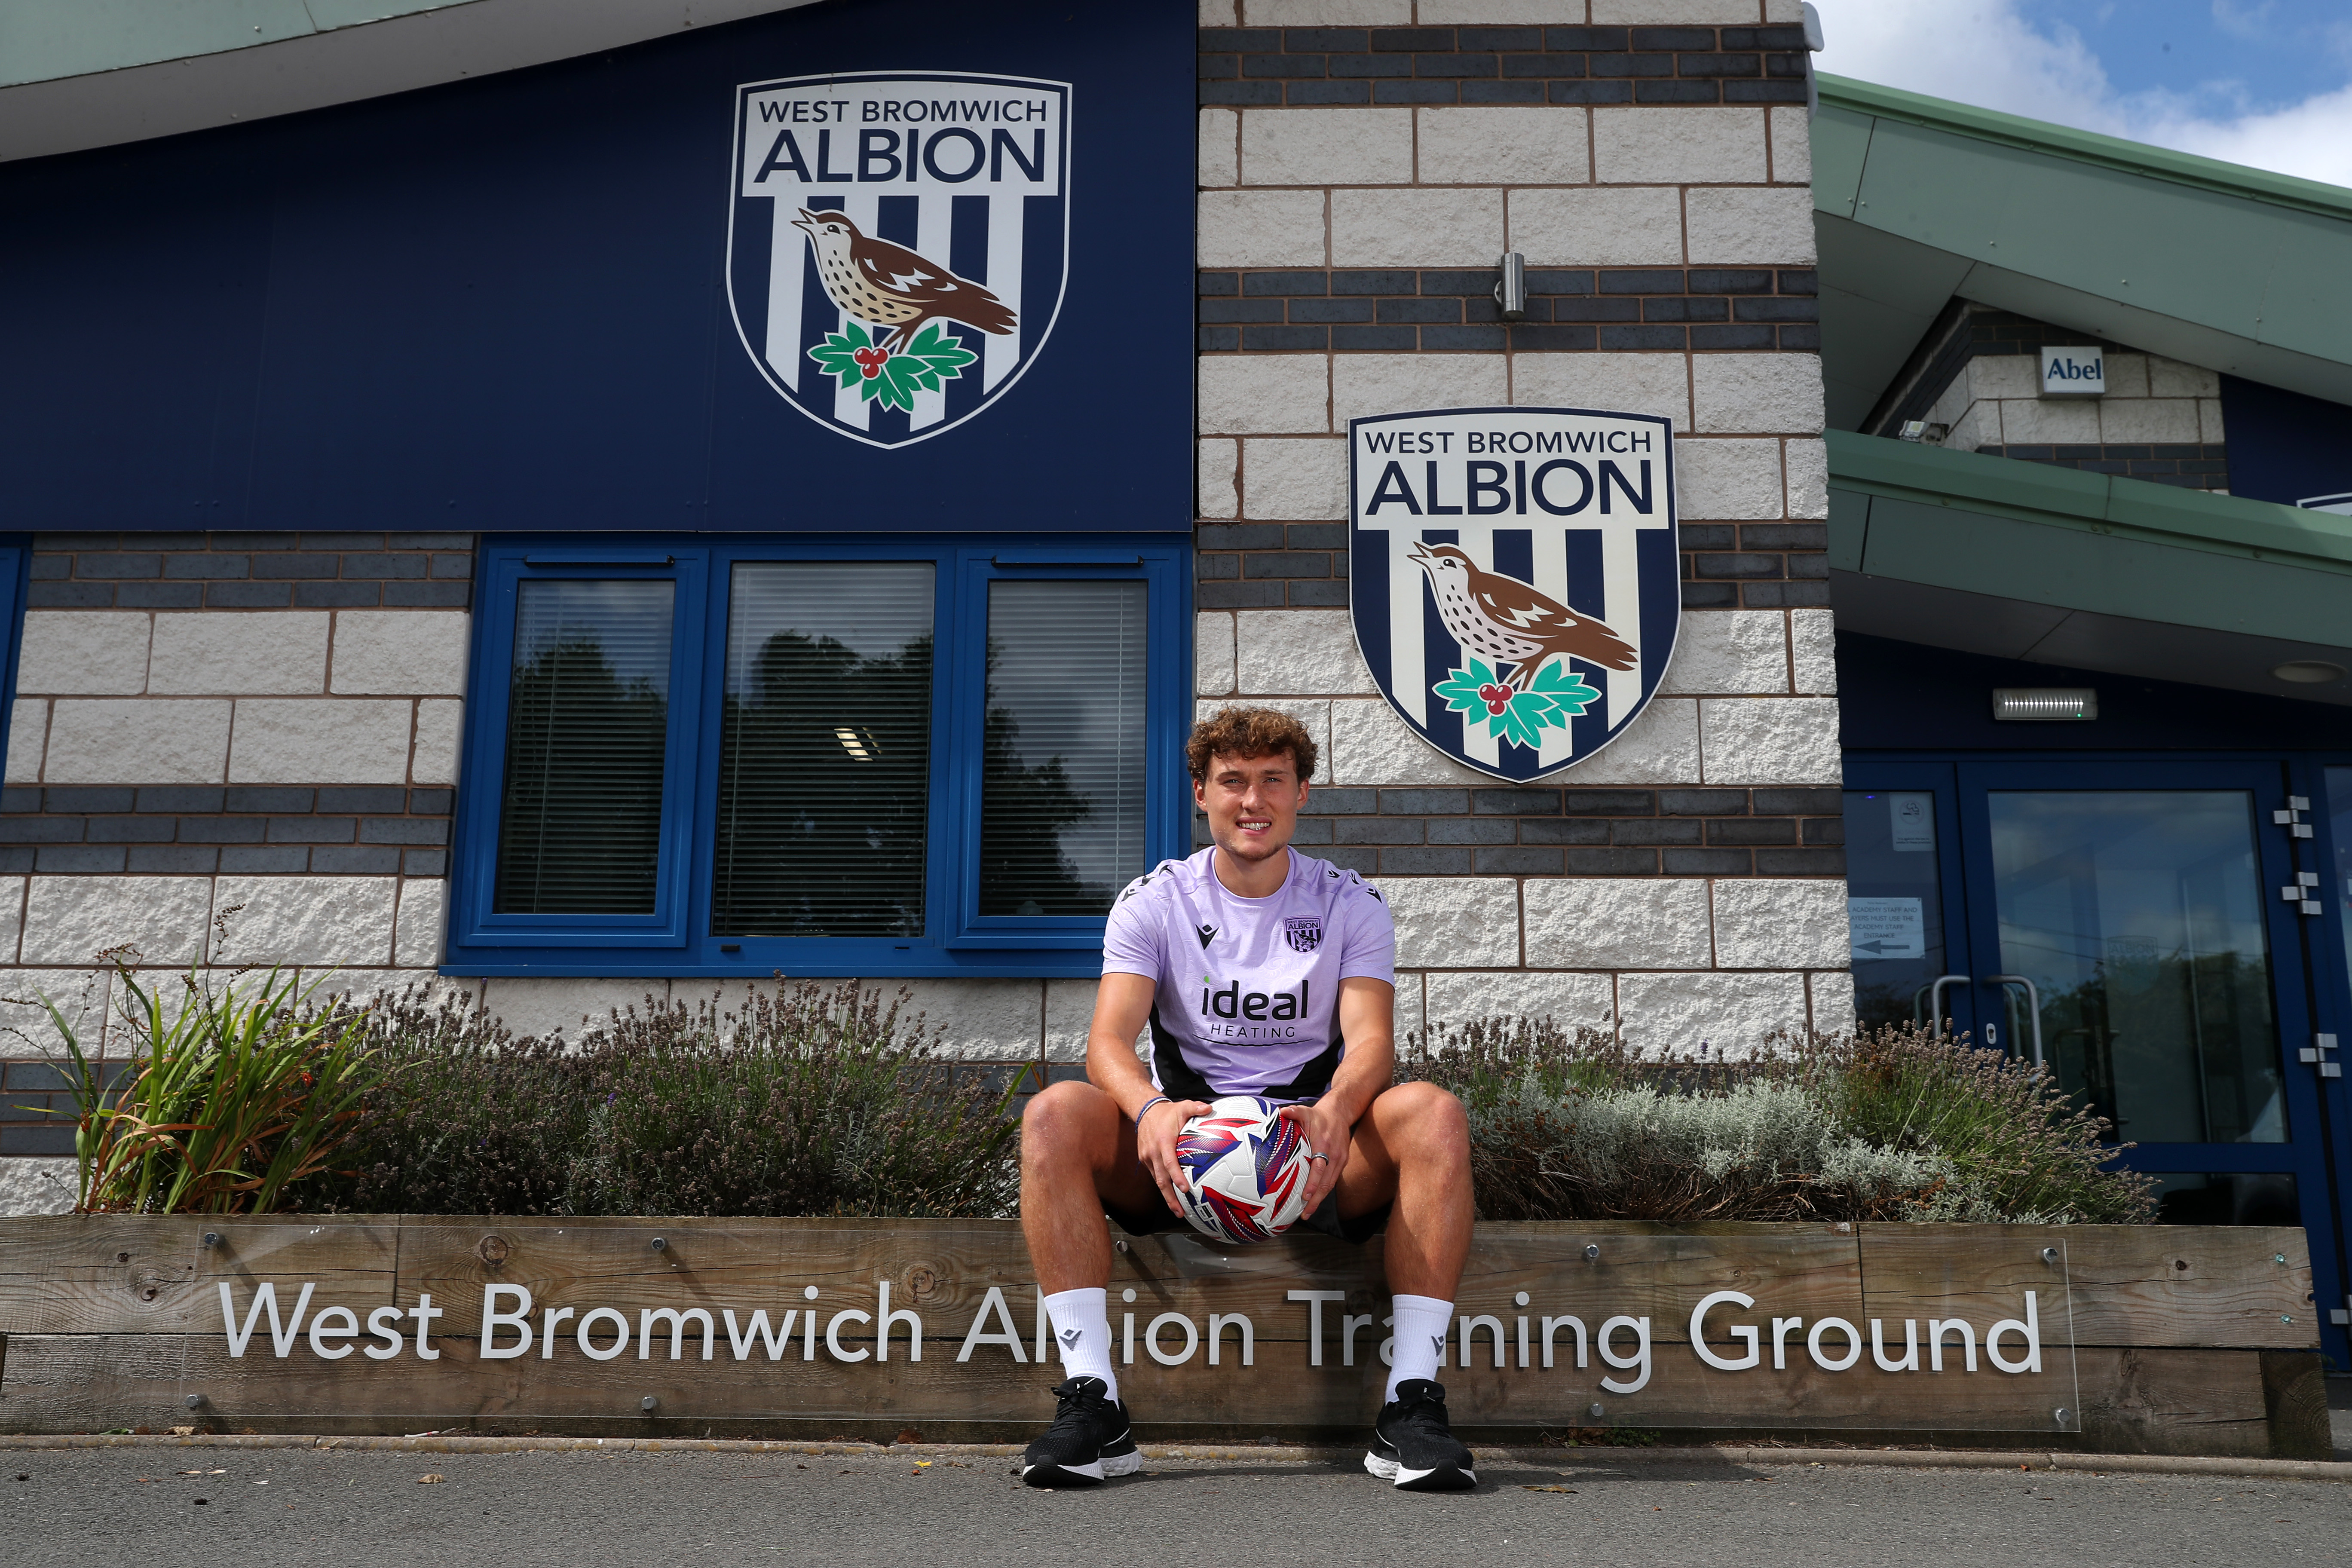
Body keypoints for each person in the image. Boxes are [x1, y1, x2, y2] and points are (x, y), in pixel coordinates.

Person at [1016, 706, 1478, 1491]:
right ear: (1201, 793)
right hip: (1185, 1151)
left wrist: (1334, 1110)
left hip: (1315, 1149)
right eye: (1233, 781)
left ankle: (1411, 1408)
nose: (1252, 799)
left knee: (1433, 1112)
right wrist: (1154, 1112)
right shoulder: (1154, 903)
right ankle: (1095, 1406)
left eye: (1273, 780)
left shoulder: (1349, 902)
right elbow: (1106, 1044)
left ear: (1303, 794)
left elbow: (1371, 1042)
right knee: (1054, 1113)